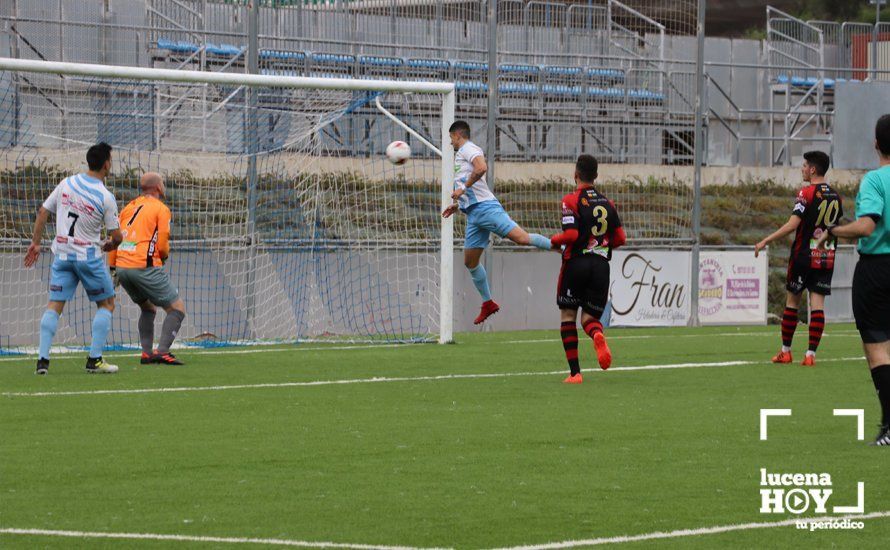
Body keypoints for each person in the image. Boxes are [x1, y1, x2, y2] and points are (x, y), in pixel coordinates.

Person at [815, 114, 890, 445]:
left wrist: (833, 230)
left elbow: (867, 226)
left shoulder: (875, 181)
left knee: (876, 346)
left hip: (877, 269)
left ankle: (889, 426)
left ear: (876, 144)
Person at [24, 142, 122, 375]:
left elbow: (42, 212)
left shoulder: (66, 183)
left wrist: (36, 243)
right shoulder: (105, 196)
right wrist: (113, 244)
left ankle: (42, 361)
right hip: (88, 257)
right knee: (107, 304)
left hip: (63, 255)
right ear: (106, 164)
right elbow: (116, 235)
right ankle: (94, 360)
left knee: (54, 305)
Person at [441, 120, 553, 325]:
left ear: (458, 135)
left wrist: (463, 189)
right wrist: (458, 206)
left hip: (486, 209)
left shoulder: (468, 148)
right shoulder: (461, 154)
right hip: (474, 214)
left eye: (451, 139)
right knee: (470, 261)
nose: (451, 143)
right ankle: (488, 303)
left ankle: (561, 247)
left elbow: (481, 168)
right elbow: (473, 183)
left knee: (521, 238)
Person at [755, 151, 841, 366]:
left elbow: (793, 224)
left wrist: (766, 239)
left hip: (803, 255)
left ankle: (786, 351)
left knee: (792, 302)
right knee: (818, 305)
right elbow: (835, 228)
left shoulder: (806, 192)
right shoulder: (836, 197)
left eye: (804, 166)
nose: (802, 169)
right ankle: (810, 355)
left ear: (812, 169)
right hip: (825, 254)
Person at [550, 155, 626, 384]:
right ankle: (597, 334)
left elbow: (571, 235)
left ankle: (575, 374)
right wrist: (601, 244)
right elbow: (621, 238)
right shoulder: (608, 203)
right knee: (590, 318)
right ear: (596, 176)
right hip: (601, 267)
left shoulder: (571, 200)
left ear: (575, 175)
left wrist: (554, 239)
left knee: (568, 315)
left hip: (577, 264)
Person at [108, 172, 186, 365]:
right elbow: (161, 245)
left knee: (148, 307)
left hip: (122, 266)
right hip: (143, 265)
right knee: (177, 309)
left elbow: (114, 238)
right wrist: (163, 257)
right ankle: (162, 351)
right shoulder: (161, 208)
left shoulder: (128, 207)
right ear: (158, 187)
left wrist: (113, 267)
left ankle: (146, 353)